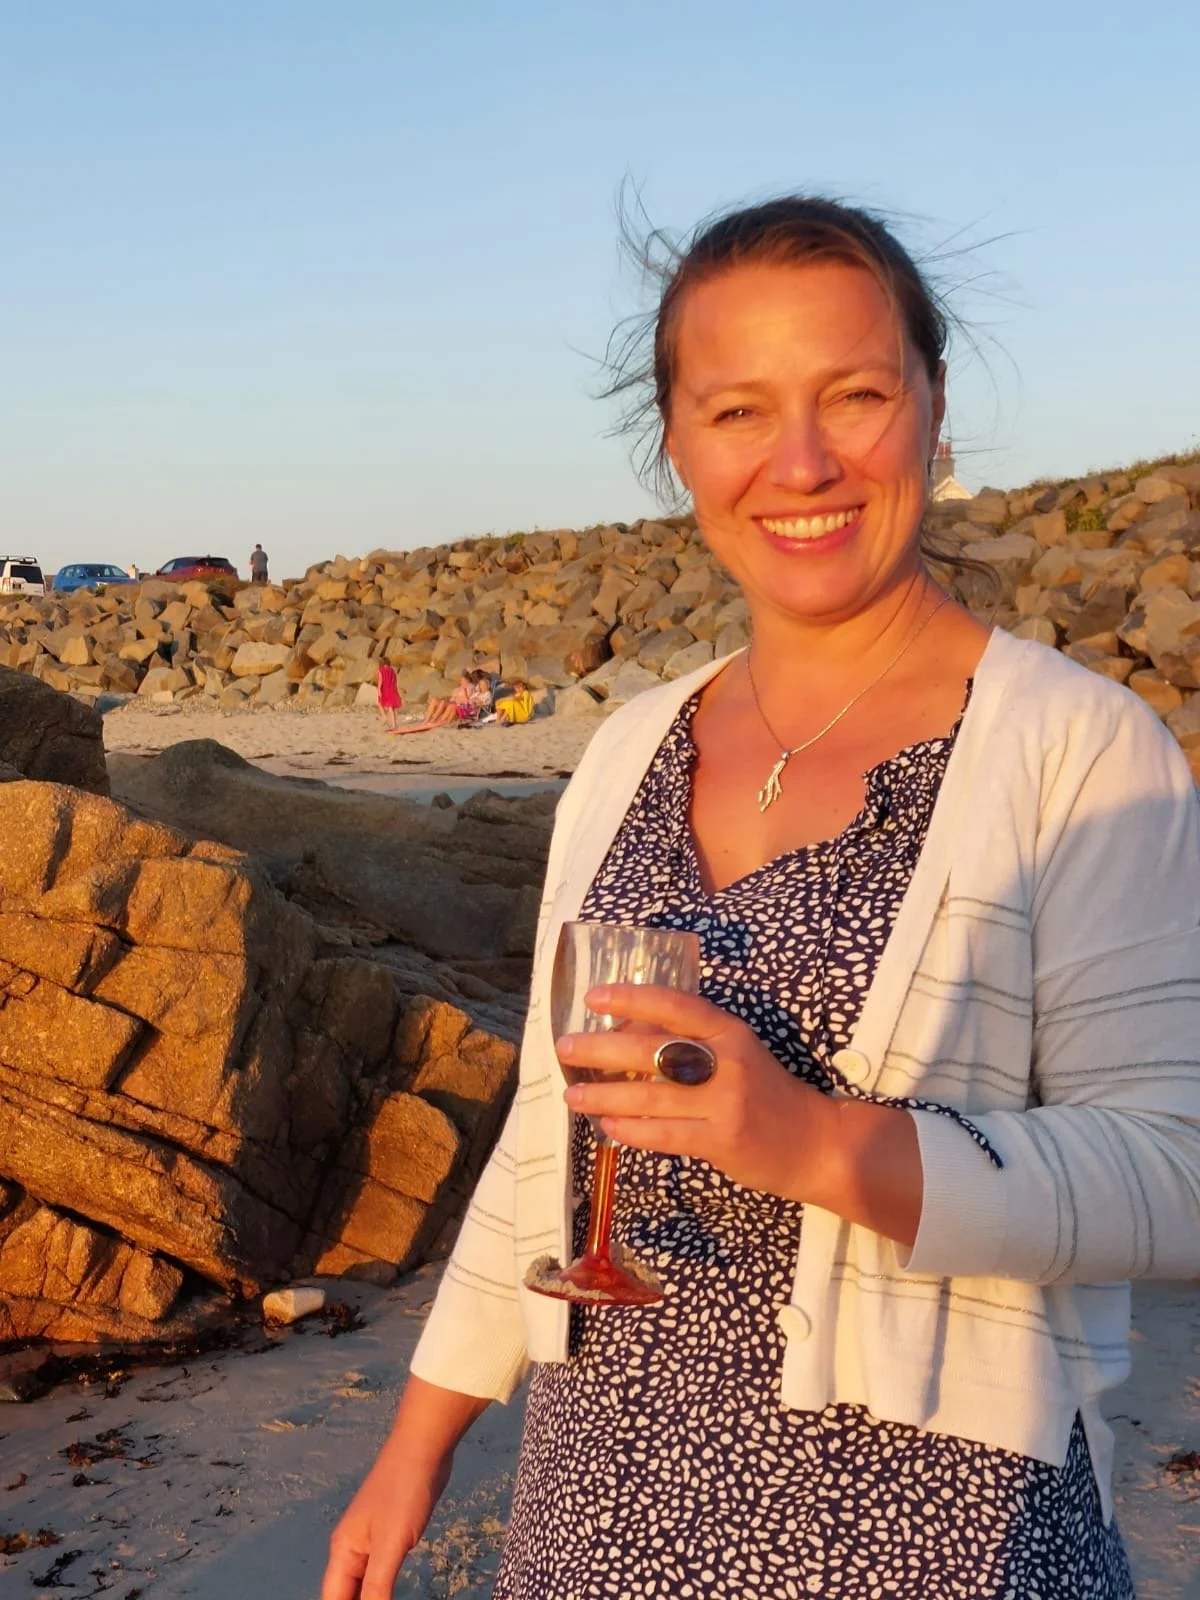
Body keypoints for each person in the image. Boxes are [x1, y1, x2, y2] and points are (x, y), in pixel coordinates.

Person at [322, 198, 1200, 1600]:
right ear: (676, 443)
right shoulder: (628, 750)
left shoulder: (1080, 752)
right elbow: (551, 1140)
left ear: (934, 407)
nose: (801, 461)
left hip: (938, 1530)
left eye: (854, 395)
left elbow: (1175, 1176)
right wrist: (416, 1445)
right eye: (738, 411)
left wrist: (811, 1142)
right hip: (595, 1505)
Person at [390, 670, 475, 735]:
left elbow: (468, 702)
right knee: (436, 701)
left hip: (458, 708)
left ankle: (438, 721)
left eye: (463, 680)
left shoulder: (469, 688)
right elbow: (452, 698)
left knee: (451, 706)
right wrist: (453, 698)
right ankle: (428, 720)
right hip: (452, 703)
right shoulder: (457, 689)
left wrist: (463, 692)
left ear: (468, 681)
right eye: (462, 680)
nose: (462, 682)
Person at [375, 659, 403, 730]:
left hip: (385, 690)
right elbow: (394, 681)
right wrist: (396, 690)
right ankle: (394, 724)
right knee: (391, 708)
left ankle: (384, 718)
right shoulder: (392, 670)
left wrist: (378, 690)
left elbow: (380, 681)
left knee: (380, 704)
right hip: (392, 689)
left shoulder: (380, 670)